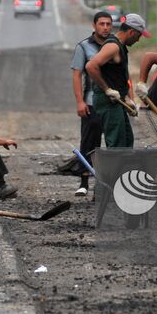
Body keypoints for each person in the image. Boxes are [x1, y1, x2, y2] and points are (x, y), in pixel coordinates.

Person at [84, 13, 150, 151]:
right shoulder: (113, 46)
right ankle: (114, 172)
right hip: (108, 100)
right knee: (117, 143)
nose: (137, 40)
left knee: (126, 139)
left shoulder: (121, 47)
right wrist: (107, 89)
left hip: (117, 99)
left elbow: (118, 77)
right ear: (131, 32)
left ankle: (123, 171)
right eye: (138, 36)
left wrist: (127, 99)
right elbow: (91, 66)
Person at [70, 10, 114, 195]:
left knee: (114, 145)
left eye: (108, 24)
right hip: (91, 103)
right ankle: (84, 182)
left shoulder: (116, 46)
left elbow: (123, 75)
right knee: (89, 143)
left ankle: (108, 185)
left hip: (113, 103)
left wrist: (130, 97)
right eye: (101, 24)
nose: (105, 27)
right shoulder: (84, 47)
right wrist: (80, 102)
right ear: (94, 26)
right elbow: (77, 75)